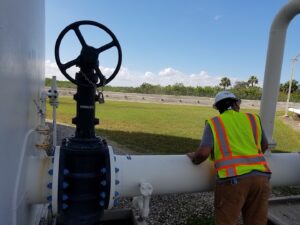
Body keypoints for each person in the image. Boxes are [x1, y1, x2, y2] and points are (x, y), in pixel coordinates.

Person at [188, 90, 271, 225]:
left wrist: (194, 158)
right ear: (236, 104)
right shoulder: (253, 118)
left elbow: (203, 153)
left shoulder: (214, 123)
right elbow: (265, 145)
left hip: (232, 180)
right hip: (261, 178)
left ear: (218, 108)